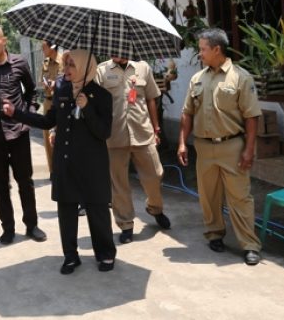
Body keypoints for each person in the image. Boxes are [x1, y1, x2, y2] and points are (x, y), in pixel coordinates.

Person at [3, 49, 116, 273]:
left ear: (85, 67)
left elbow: (104, 132)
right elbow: (48, 121)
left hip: (92, 165)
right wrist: (17, 113)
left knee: (98, 210)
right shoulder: (63, 90)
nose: (66, 69)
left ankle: (105, 254)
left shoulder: (102, 96)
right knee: (66, 211)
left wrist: (87, 109)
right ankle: (71, 256)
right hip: (66, 161)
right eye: (66, 63)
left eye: (72, 64)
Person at [178, 28, 262, 266]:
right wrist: (183, 142)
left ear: (217, 49)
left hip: (232, 146)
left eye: (203, 49)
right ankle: (214, 233)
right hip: (204, 148)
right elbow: (187, 113)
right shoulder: (197, 79)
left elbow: (252, 117)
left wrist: (249, 149)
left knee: (240, 197)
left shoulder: (241, 77)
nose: (200, 53)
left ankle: (250, 245)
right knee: (208, 196)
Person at [0, 25, 47, 245]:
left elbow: (31, 91)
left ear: (3, 41)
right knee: (1, 185)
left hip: (19, 132)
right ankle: (8, 228)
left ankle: (32, 225)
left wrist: (28, 112)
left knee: (26, 181)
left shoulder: (20, 62)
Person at [96, 57, 171, 244]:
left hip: (142, 132)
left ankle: (155, 208)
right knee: (119, 184)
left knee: (155, 174)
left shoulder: (143, 67)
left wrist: (156, 128)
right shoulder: (101, 71)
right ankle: (126, 224)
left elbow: (151, 98)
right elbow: (95, 102)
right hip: (114, 136)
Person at [40, 41, 62, 177]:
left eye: (44, 47)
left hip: (61, 103)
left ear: (52, 47)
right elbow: (42, 81)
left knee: (61, 135)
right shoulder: (45, 63)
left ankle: (63, 169)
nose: (42, 50)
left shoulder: (65, 61)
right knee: (48, 137)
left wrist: (57, 85)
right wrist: (45, 83)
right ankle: (53, 171)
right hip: (48, 102)